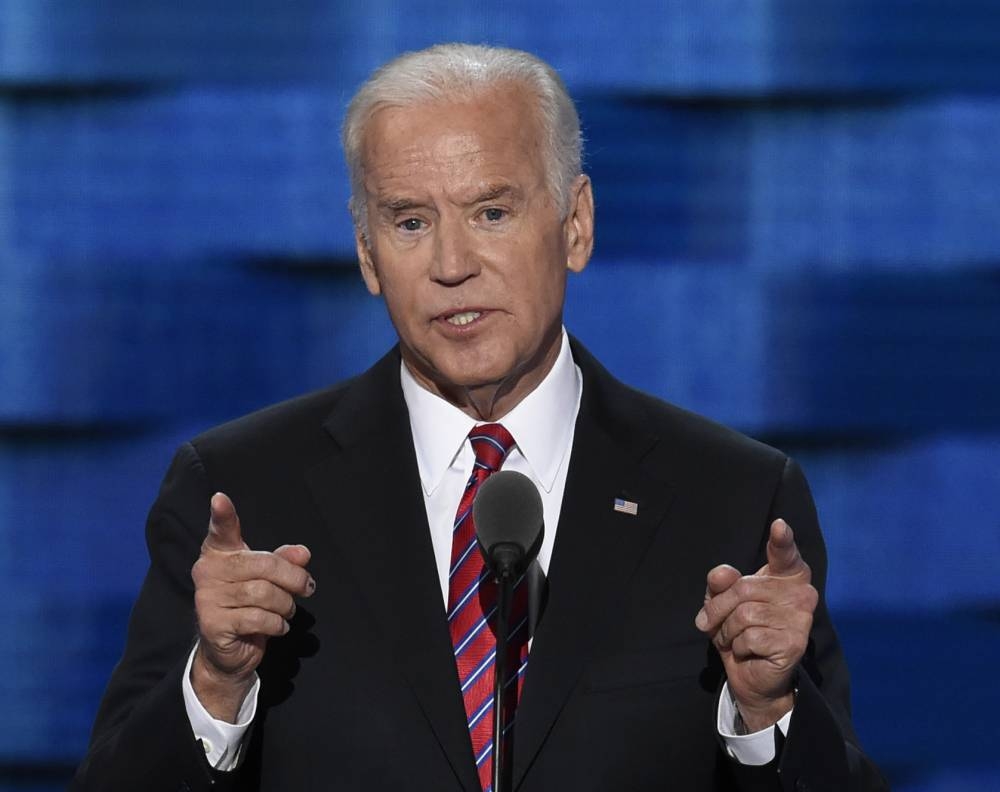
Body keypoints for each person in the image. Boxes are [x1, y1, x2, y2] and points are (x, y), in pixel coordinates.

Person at [73, 43, 887, 791]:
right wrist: (215, 684)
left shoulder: (734, 500)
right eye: (410, 222)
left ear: (576, 225)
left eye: (491, 212)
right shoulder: (240, 495)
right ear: (366, 254)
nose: (452, 266)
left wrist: (766, 715)